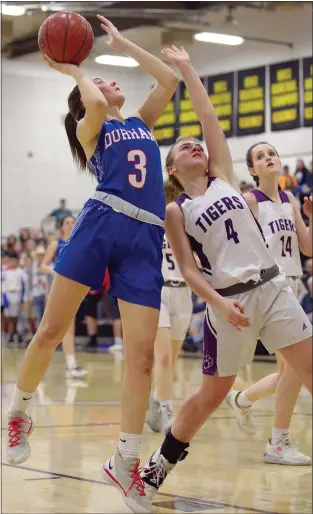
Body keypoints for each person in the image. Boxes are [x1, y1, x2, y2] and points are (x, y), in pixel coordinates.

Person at [7, 16, 178, 514]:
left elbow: (169, 80)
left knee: (142, 357)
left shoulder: (141, 124)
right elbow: (98, 101)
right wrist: (74, 70)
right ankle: (20, 411)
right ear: (81, 102)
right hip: (102, 222)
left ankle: (125, 461)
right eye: (97, 81)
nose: (107, 81)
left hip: (145, 234)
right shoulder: (92, 128)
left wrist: (124, 45)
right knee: (49, 330)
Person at [138, 45, 312, 498]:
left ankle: (278, 441)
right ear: (174, 168)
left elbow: (208, 117)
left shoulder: (226, 179)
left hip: (273, 286)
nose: (195, 144)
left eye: (196, 142)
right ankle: (160, 463)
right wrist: (218, 304)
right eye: (183, 147)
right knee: (210, 397)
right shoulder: (178, 210)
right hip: (228, 302)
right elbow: (193, 273)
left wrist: (187, 68)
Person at [226, 141, 312, 465]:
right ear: (252, 169)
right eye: (260, 156)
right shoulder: (251, 201)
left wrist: (311, 218)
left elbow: (307, 247)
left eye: (271, 153)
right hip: (270, 290)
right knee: (296, 369)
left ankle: (243, 399)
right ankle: (278, 441)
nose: (269, 158)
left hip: (293, 285)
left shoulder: (289, 199)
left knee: (291, 370)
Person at [147, 214, 192, 434]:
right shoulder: (150, 222)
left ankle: (156, 398)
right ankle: (166, 409)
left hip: (184, 292)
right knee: (163, 357)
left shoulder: (187, 223)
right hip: (159, 291)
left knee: (171, 360)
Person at [39, 215, 88, 379]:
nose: (70, 225)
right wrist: (57, 271)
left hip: (71, 290)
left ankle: (71, 366)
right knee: (49, 329)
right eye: (67, 223)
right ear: (61, 227)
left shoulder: (79, 244)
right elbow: (42, 266)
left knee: (69, 328)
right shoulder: (56, 244)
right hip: (55, 290)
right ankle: (37, 363)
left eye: (73, 222)